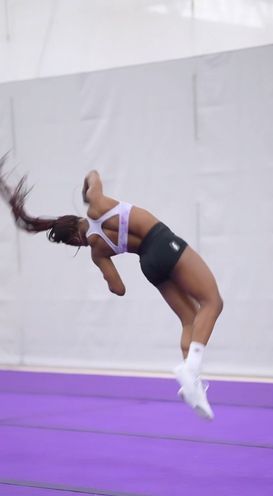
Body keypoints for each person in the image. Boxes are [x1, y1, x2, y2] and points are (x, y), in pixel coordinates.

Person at [0, 157, 223, 419]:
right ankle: (191, 368)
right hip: (162, 241)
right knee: (212, 302)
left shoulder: (97, 252)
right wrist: (87, 188)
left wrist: (107, 270)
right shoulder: (96, 205)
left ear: (73, 241)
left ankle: (192, 386)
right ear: (75, 219)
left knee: (189, 319)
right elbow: (94, 174)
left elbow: (119, 289)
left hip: (148, 264)